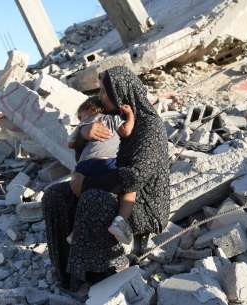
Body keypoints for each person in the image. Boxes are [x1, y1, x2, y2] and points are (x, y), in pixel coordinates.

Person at [43, 66, 170, 291]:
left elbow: (135, 178)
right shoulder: (112, 116)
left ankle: (102, 276)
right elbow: (84, 152)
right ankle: (66, 272)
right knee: (54, 196)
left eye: (104, 92)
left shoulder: (150, 127)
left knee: (95, 198)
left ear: (119, 92)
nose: (99, 97)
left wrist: (89, 183)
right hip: (110, 184)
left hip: (138, 203)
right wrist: (83, 134)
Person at [66, 96, 135, 245]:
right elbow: (127, 131)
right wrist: (130, 115)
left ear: (91, 109)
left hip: (82, 166)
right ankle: (120, 222)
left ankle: (76, 231)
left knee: (81, 198)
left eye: (81, 116)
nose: (80, 120)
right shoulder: (111, 119)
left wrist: (82, 133)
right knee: (129, 187)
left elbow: (70, 143)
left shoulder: (83, 126)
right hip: (106, 161)